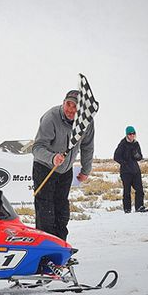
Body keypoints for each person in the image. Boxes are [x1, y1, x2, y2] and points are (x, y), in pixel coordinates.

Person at [31, 89, 95, 242]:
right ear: (63, 102)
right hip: (45, 169)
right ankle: (44, 250)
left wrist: (86, 170)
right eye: (68, 104)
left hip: (65, 171)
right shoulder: (51, 118)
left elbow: (87, 147)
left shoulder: (86, 123)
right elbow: (37, 148)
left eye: (75, 107)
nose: (71, 110)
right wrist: (52, 158)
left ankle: (60, 247)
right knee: (46, 214)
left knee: (62, 214)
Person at [114, 126, 148, 213]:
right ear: (127, 135)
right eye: (130, 134)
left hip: (136, 171)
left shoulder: (136, 144)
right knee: (127, 191)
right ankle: (127, 209)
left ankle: (139, 207)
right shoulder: (122, 144)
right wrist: (124, 163)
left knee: (139, 189)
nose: (132, 135)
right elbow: (116, 157)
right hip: (126, 172)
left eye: (133, 133)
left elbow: (140, 157)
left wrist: (137, 155)